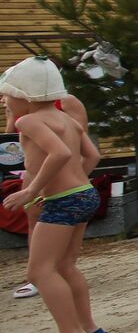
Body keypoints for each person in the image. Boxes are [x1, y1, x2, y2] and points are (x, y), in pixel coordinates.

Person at [1, 57, 105, 333]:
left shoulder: (28, 122)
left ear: (26, 96)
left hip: (64, 201)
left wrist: (32, 191)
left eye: (7, 95)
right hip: (84, 194)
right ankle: (89, 327)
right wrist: (77, 185)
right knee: (65, 266)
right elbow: (93, 156)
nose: (5, 101)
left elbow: (58, 153)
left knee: (38, 270)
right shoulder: (65, 118)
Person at [8, 87, 91, 300]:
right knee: (34, 223)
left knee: (46, 270)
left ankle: (74, 331)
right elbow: (13, 137)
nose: (5, 99)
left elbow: (69, 147)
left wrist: (74, 179)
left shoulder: (65, 104)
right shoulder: (25, 116)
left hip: (62, 182)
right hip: (41, 176)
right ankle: (85, 328)